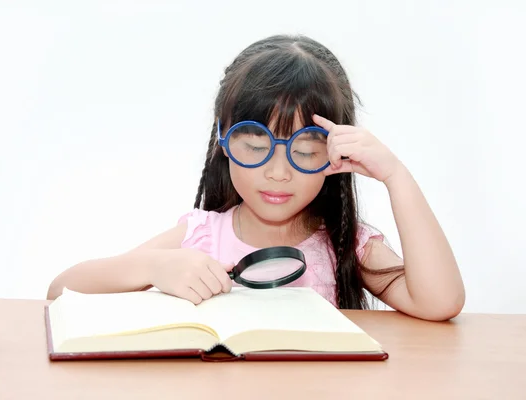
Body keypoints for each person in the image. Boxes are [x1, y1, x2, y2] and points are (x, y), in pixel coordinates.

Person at [46, 34, 465, 321]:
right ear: (223, 141)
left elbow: (441, 302)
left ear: (335, 150)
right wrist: (156, 267)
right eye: (255, 145)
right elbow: (62, 292)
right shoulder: (201, 236)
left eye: (303, 150)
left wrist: (396, 176)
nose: (278, 172)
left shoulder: (344, 243)